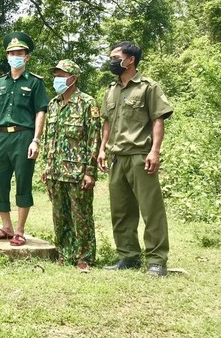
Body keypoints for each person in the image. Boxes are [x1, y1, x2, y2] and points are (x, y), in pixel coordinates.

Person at [98, 41, 173, 277]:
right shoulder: (111, 90)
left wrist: (155, 151)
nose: (111, 61)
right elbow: (107, 122)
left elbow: (158, 119)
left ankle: (157, 261)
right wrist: (102, 149)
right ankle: (127, 256)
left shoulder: (148, 87)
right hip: (117, 157)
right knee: (121, 211)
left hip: (141, 155)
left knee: (152, 210)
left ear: (130, 59)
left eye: (115, 56)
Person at [0, 31, 49, 246]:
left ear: (27, 56)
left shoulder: (36, 82)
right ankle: (6, 226)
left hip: (24, 136)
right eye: (11, 53)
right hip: (2, 137)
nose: (15, 56)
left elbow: (41, 111)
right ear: (7, 56)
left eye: (19, 52)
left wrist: (36, 140)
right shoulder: (0, 83)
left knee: (23, 181)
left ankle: (20, 230)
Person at [41, 59, 100, 270]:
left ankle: (85, 257)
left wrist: (90, 172)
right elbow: (49, 138)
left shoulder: (87, 103)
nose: (57, 79)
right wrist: (46, 167)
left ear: (73, 78)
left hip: (77, 171)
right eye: (55, 75)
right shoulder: (53, 104)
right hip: (56, 170)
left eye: (61, 75)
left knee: (81, 217)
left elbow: (94, 139)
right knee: (60, 216)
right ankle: (64, 253)